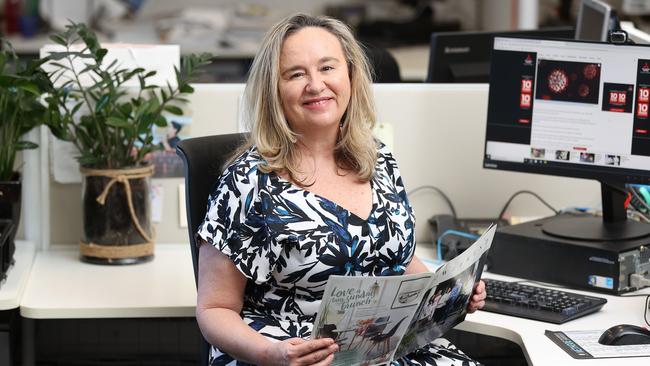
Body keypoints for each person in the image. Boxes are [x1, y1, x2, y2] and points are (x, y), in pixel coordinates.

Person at [195, 14, 487, 366]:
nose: (316, 85)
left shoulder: (377, 160)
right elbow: (215, 308)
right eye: (296, 74)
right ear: (274, 89)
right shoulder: (249, 183)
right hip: (290, 353)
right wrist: (272, 353)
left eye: (327, 68)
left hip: (376, 347)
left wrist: (448, 293)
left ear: (350, 75)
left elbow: (399, 258)